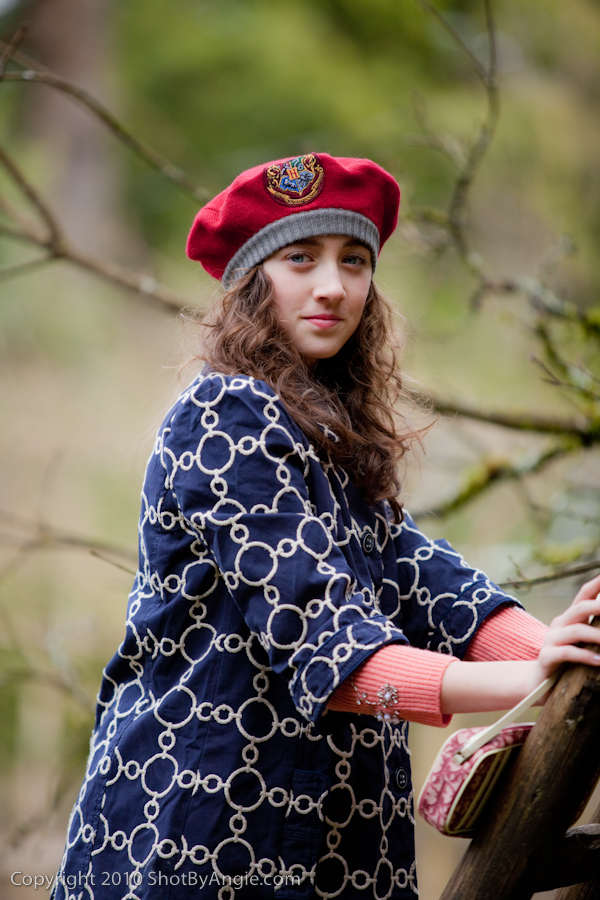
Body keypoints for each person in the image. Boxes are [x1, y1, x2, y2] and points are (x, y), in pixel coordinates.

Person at [53, 153, 600, 900]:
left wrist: (566, 651)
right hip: (201, 837)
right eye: (301, 259)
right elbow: (327, 650)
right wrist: (531, 679)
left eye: (354, 260)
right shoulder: (225, 416)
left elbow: (435, 588)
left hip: (336, 846)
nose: (333, 286)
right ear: (252, 281)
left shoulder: (330, 437)